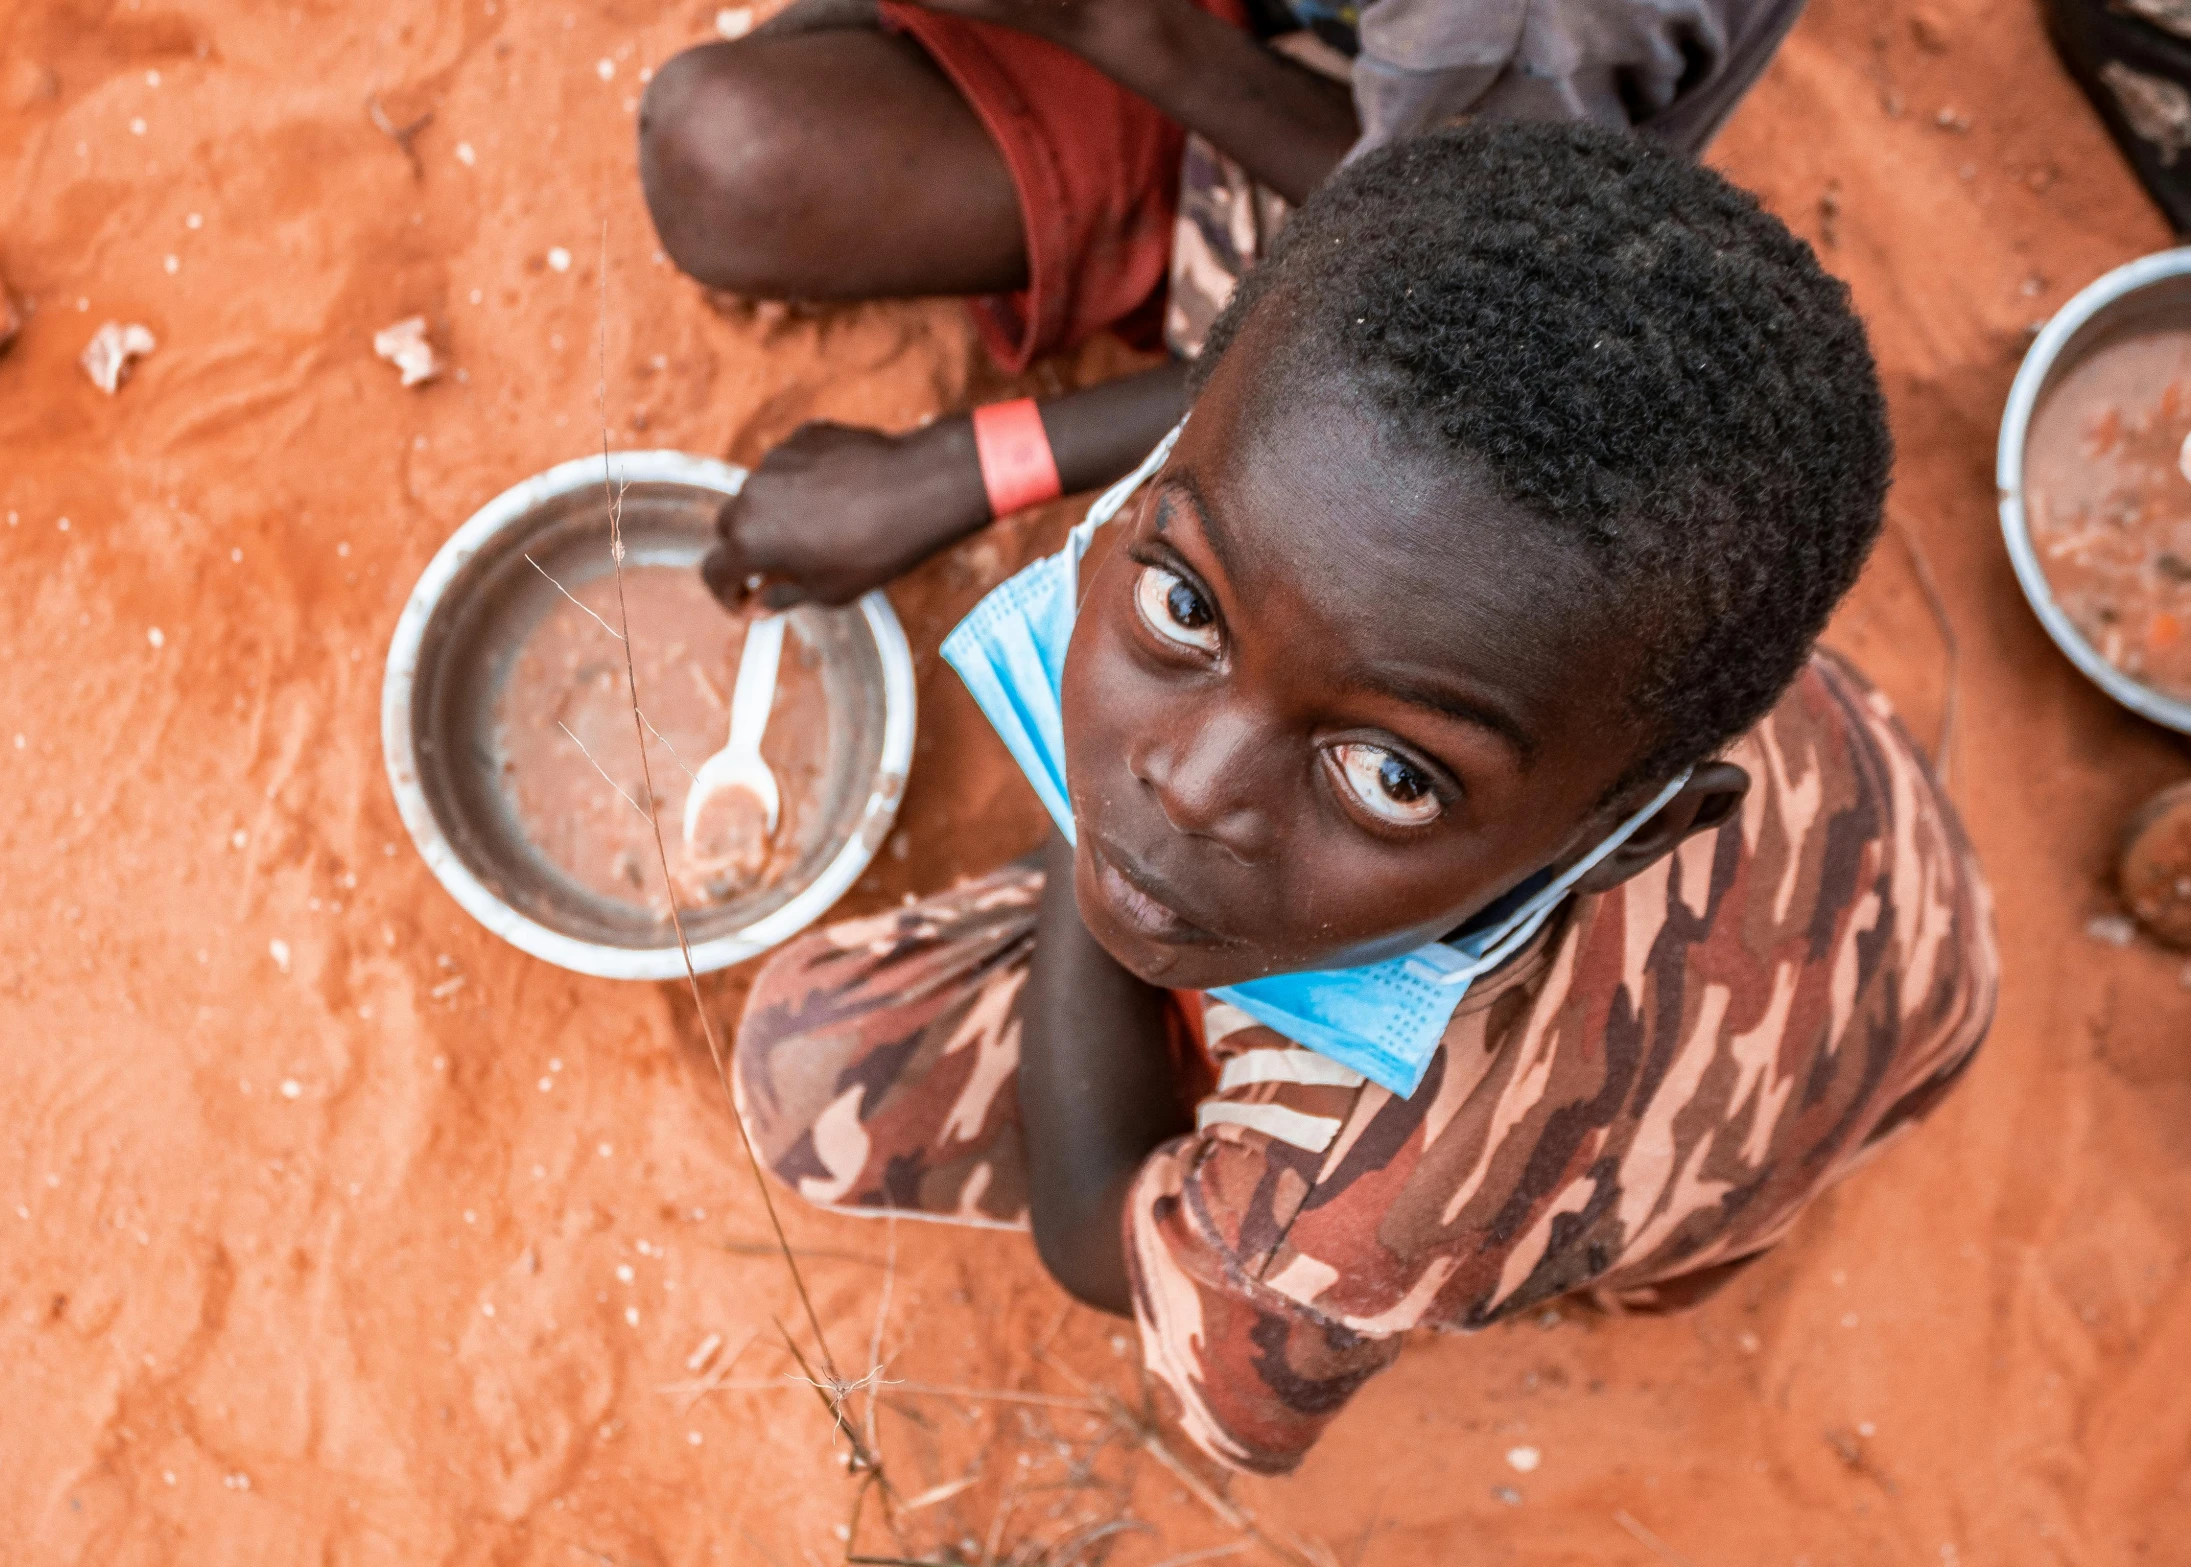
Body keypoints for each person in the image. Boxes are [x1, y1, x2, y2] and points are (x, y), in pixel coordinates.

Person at [724, 123, 1999, 1476]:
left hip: (1765, 1109)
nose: (1187, 783)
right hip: (1894, 883)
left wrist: (1078, 839)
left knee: (815, 1069)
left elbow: (1094, 1232)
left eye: (1391, 775)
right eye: (1182, 601)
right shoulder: (1627, 629)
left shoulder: (1335, 1222)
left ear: (1628, 831)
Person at [637, 0, 1810, 613]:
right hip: (1234, 47)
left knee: (1378, 495)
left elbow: (1467, 264)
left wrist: (963, 465)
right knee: (729, 158)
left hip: (1465, 175)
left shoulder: (1547, 24)